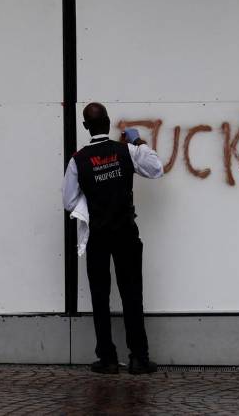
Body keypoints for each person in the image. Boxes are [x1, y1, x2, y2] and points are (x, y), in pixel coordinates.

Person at [63, 102, 163, 374]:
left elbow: (69, 201)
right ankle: (138, 358)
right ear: (108, 123)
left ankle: (107, 358)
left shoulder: (78, 160)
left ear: (85, 126)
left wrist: (95, 202)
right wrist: (137, 140)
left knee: (99, 296)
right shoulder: (126, 151)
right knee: (132, 295)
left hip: (98, 235)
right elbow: (156, 168)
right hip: (126, 233)